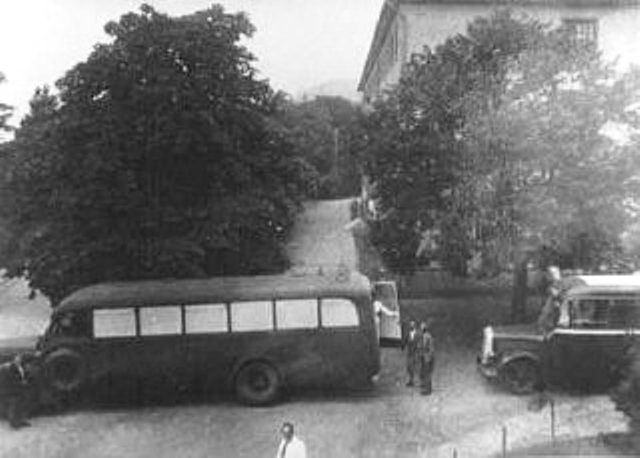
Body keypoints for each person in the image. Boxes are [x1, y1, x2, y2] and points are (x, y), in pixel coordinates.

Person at [0, 353, 39, 429]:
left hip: (20, 389)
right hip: (13, 390)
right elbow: (10, 379)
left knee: (20, 405)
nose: (19, 359)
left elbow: (22, 376)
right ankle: (14, 424)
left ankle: (21, 421)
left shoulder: (21, 367)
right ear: (14, 359)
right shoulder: (11, 367)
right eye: (17, 358)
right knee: (14, 406)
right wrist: (21, 383)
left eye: (20, 358)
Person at [401, 321, 421, 387]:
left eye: (412, 325)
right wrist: (402, 346)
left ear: (415, 326)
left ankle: (419, 381)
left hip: (416, 353)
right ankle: (411, 380)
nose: (411, 327)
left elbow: (420, 342)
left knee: (417, 367)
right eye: (410, 326)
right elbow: (405, 342)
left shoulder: (418, 334)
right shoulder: (408, 334)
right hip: (410, 353)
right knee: (409, 367)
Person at [419, 321, 435, 395]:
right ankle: (424, 386)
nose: (421, 328)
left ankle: (428, 389)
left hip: (427, 358)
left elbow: (431, 348)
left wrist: (429, 358)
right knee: (423, 373)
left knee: (427, 374)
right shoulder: (422, 336)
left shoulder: (428, 336)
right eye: (421, 326)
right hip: (423, 357)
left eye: (422, 326)